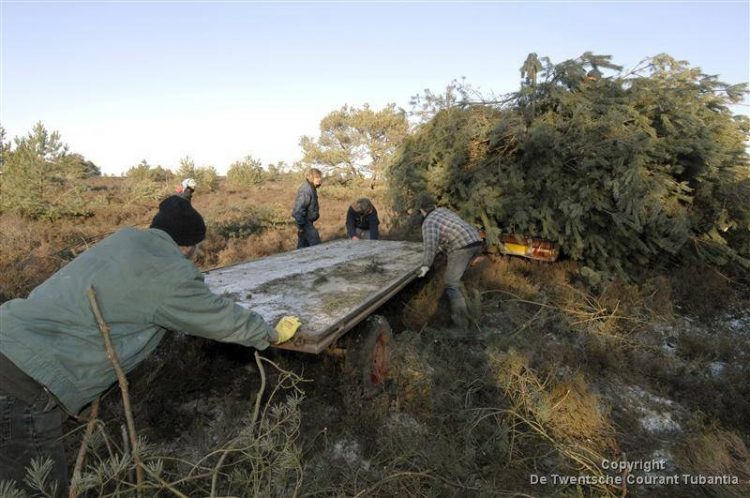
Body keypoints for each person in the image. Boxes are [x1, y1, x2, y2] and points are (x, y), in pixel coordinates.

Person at [0, 196, 299, 494]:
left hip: (7, 335)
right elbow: (220, 318)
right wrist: (269, 333)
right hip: (23, 383)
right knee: (37, 488)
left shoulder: (123, 240)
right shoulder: (169, 272)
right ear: (188, 246)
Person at [415, 195, 483, 330]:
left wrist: (425, 266)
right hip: (476, 241)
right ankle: (473, 311)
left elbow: (430, 246)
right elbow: (448, 234)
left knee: (451, 283)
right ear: (433, 206)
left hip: (462, 247)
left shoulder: (428, 222)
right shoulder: (444, 211)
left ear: (422, 210)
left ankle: (461, 324)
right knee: (457, 279)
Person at [292, 168, 322, 249]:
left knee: (303, 246)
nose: (319, 179)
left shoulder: (311, 188)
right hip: (305, 222)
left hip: (307, 222)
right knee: (316, 245)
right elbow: (297, 210)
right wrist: (301, 226)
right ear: (311, 177)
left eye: (320, 177)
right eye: (317, 177)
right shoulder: (306, 190)